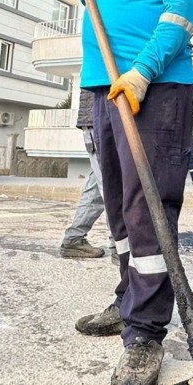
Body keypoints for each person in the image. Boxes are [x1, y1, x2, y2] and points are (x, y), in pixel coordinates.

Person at [61, 0, 193, 385]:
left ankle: (145, 334)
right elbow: (102, 10)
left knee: (148, 211)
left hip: (155, 90)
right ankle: (128, 303)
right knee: (121, 209)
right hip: (105, 89)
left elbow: (180, 15)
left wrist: (143, 72)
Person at [59, 89, 116, 261]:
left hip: (101, 120)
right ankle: (120, 247)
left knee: (99, 185)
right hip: (102, 121)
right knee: (113, 185)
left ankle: (73, 239)